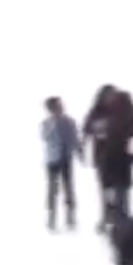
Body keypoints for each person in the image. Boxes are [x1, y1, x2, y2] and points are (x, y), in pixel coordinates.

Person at [41, 94, 80, 231]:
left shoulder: (69, 121)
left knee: (68, 187)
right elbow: (45, 137)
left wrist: (79, 151)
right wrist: (54, 124)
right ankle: (51, 217)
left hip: (66, 158)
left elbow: (74, 138)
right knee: (52, 189)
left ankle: (70, 217)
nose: (61, 107)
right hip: (52, 159)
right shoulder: (47, 123)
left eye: (60, 105)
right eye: (57, 105)